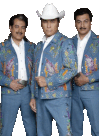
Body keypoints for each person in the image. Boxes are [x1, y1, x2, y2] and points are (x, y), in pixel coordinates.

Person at [29, 3, 77, 136]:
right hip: (40, 98)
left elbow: (72, 69)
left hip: (59, 98)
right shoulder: (38, 46)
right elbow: (34, 72)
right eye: (45, 21)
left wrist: (48, 81)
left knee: (65, 132)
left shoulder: (65, 43)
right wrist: (33, 96)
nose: (48, 25)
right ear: (41, 23)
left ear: (58, 22)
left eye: (52, 21)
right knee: (42, 133)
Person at [0, 14, 36, 136]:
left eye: (23, 27)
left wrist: (33, 95)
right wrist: (9, 83)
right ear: (10, 28)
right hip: (9, 92)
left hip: (28, 92)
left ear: (25, 29)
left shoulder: (32, 47)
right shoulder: (1, 47)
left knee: (32, 128)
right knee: (6, 129)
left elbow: (35, 72)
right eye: (16, 26)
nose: (19, 30)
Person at [71, 8, 99, 136]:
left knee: (97, 128)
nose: (82, 25)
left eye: (85, 21)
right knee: (74, 128)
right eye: (79, 22)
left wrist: (87, 79)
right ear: (75, 23)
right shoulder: (69, 42)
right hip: (73, 91)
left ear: (91, 22)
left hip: (92, 90)